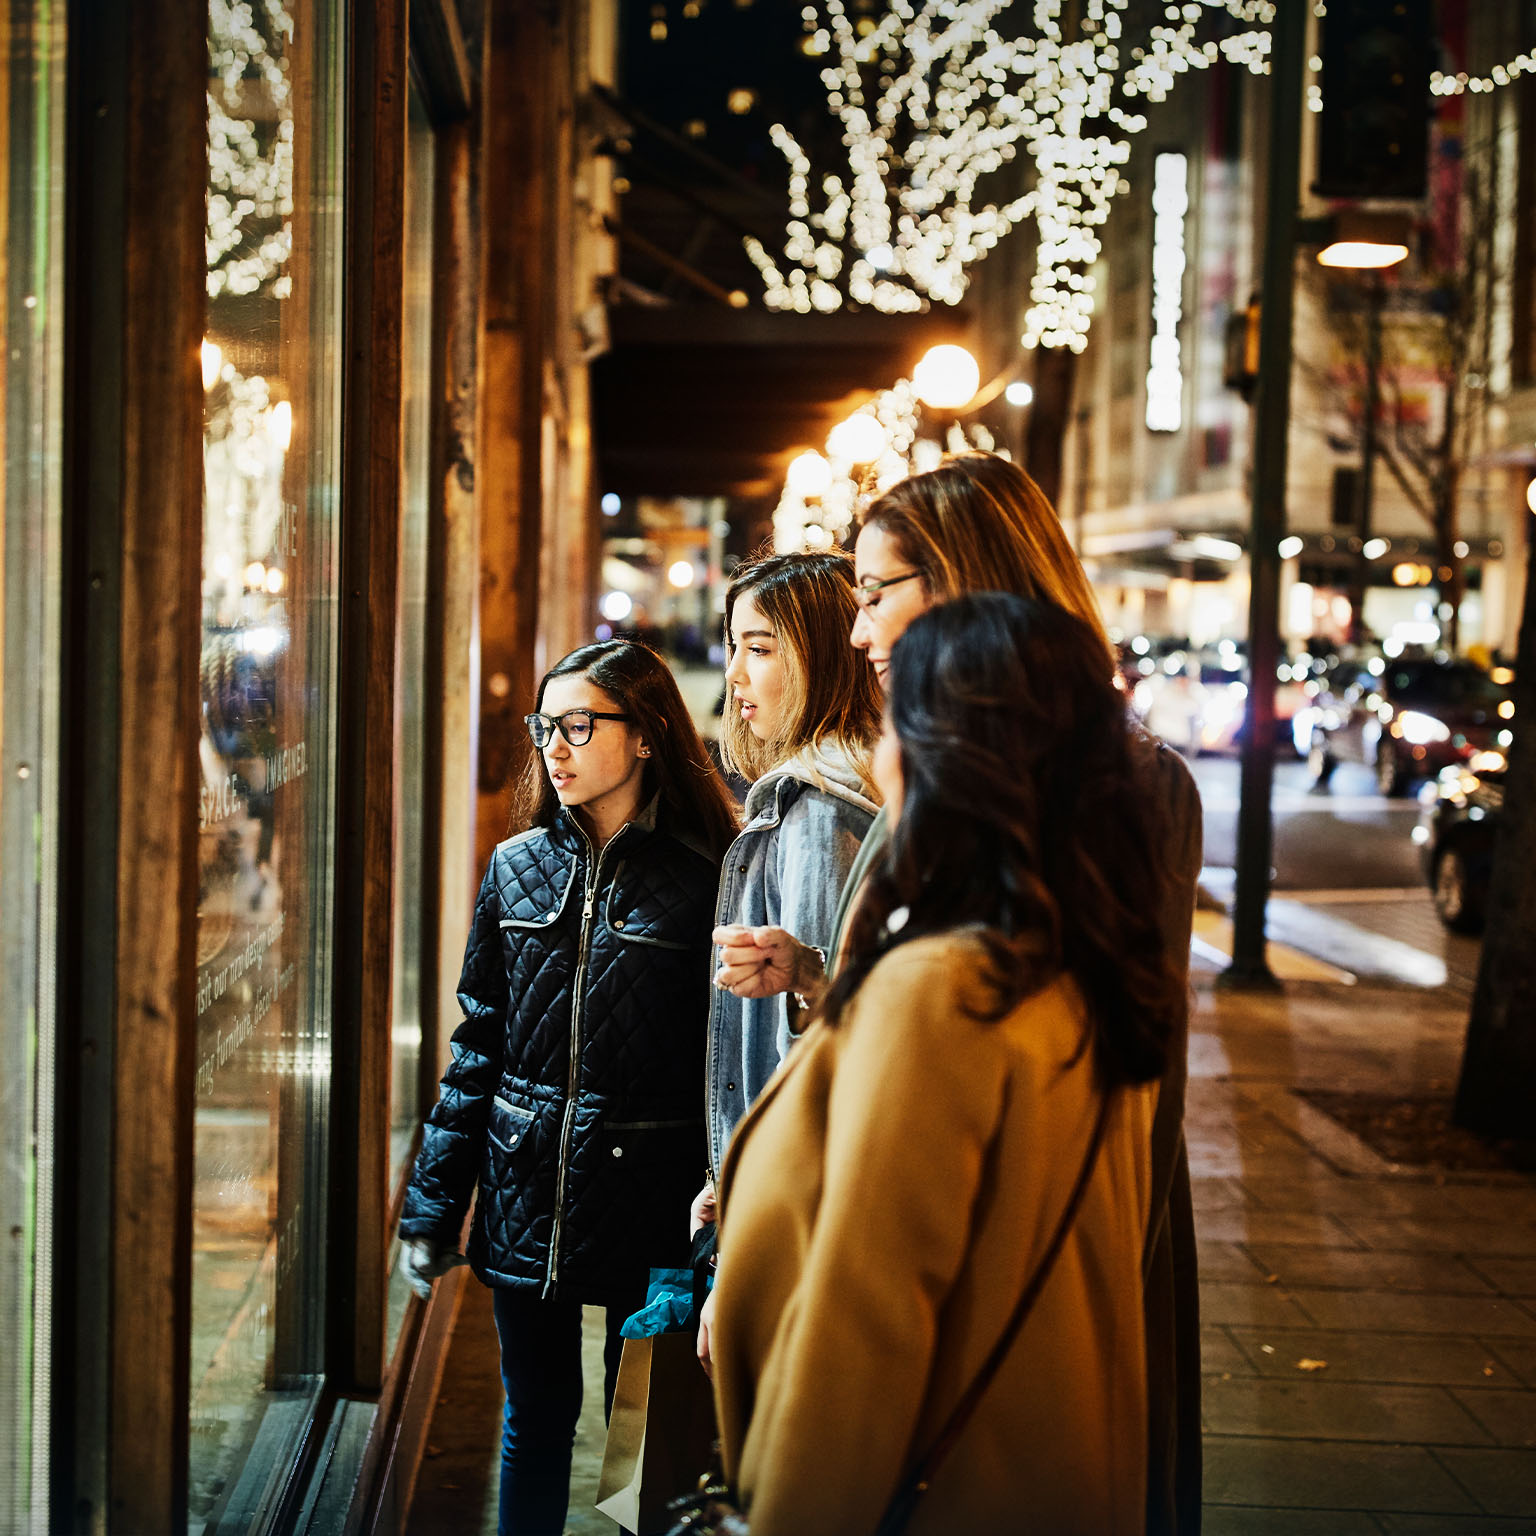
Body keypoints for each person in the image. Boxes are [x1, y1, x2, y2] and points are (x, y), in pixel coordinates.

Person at [710, 453, 1203, 1535]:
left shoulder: (1121, 787)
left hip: (997, 1339)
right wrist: (814, 983)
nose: (856, 630)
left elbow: (1079, 1080)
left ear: (964, 579)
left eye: (876, 591)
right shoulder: (940, 795)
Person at [397, 639, 739, 1536]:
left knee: (645, 1441)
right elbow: (478, 1047)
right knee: (535, 1426)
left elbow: (723, 1064)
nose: (556, 745)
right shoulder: (514, 866)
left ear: (648, 736)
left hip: (653, 1200)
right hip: (525, 1189)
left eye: (580, 724)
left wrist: (724, 1207)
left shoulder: (707, 877)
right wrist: (432, 1210)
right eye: (546, 726)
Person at [703, 550, 882, 1189]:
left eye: (760, 649)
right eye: (733, 647)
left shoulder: (817, 808)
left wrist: (755, 1185)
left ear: (821, 657)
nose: (733, 675)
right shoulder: (856, 781)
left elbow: (808, 1028)